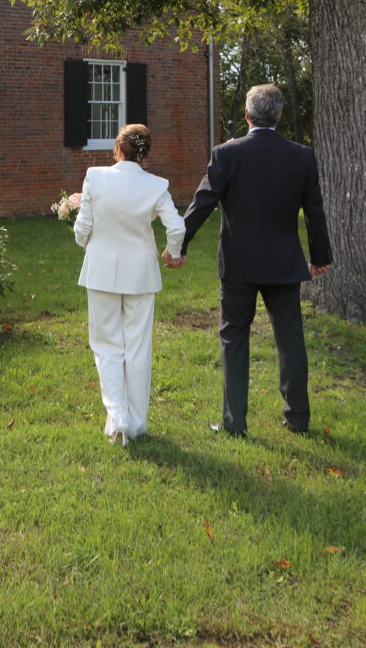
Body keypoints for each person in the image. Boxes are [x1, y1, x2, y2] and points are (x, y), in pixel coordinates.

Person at [178, 83, 332, 437]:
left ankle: (234, 423)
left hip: (239, 263)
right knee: (290, 338)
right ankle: (297, 418)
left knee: (234, 337)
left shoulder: (226, 154)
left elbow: (202, 203)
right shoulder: (302, 156)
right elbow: (314, 210)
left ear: (247, 115)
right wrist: (320, 255)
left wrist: (178, 245)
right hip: (283, 263)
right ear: (278, 116)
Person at [74, 123, 186, 447]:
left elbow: (83, 228)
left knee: (106, 345)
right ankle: (135, 423)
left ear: (117, 148)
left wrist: (86, 243)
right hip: (141, 274)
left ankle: (117, 419)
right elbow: (176, 227)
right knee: (138, 348)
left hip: (101, 271)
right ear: (145, 153)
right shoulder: (156, 185)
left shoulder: (95, 177)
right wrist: (172, 253)